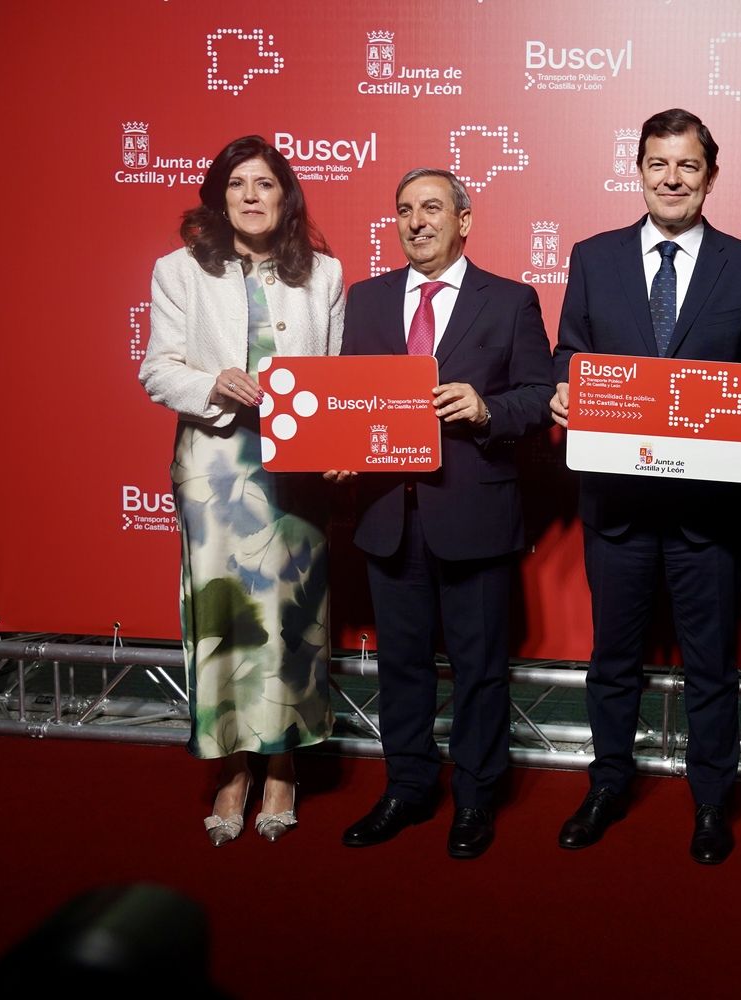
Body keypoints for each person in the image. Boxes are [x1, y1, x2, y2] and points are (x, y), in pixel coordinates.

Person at [549, 108, 741, 864]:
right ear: (640, 170)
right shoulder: (593, 257)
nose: (673, 178)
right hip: (617, 505)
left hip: (707, 511)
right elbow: (570, 354)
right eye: (659, 163)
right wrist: (564, 389)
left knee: (710, 665)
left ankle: (712, 800)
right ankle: (607, 785)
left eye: (688, 165)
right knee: (612, 660)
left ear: (710, 176)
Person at [332, 168, 553, 858]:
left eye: (431, 208)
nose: (416, 221)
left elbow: (540, 396)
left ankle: (477, 796)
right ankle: (407, 787)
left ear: (464, 220)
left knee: (479, 667)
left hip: (473, 514)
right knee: (401, 665)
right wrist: (336, 448)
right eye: (404, 210)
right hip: (388, 514)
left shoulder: (510, 300)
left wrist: (487, 410)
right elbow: (347, 398)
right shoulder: (366, 299)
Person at [138, 135, 342, 846]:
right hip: (216, 464)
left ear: (286, 197)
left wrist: (339, 445)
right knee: (223, 616)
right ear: (219, 199)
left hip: (298, 466)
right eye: (237, 184)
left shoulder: (324, 273)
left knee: (293, 615)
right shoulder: (178, 270)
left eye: (265, 183)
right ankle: (231, 768)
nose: (252, 196)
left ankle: (283, 764)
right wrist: (212, 382)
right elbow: (157, 368)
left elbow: (337, 374)